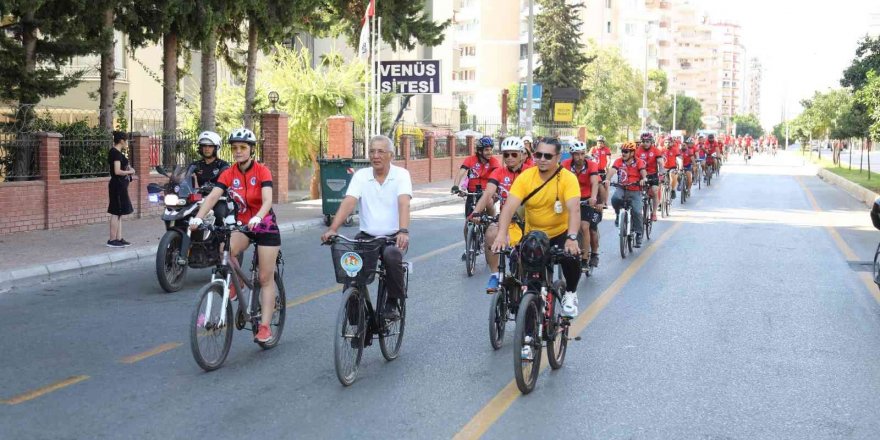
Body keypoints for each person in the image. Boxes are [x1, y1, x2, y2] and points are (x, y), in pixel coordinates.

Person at [190, 128, 281, 343]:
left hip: (265, 226)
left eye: (242, 147)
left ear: (251, 149)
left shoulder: (262, 171)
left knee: (264, 278)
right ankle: (238, 283)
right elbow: (213, 196)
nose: (238, 151)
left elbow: (267, 200)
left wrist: (259, 217)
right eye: (234, 148)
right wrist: (198, 217)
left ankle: (265, 327)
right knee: (226, 250)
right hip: (244, 225)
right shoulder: (229, 173)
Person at [321, 135, 412, 319]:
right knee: (352, 269)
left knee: (391, 256)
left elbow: (404, 203)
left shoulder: (401, 175)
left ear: (391, 155)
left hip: (392, 237)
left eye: (380, 151)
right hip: (366, 236)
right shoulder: (361, 176)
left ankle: (393, 302)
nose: (375, 155)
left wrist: (403, 230)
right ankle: (356, 321)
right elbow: (349, 202)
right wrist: (333, 228)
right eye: (372, 151)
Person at [491, 138, 582, 318]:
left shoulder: (568, 178)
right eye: (538, 155)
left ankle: (571, 294)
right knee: (530, 282)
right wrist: (501, 235)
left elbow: (574, 209)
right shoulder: (526, 177)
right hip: (533, 235)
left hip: (560, 232)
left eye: (547, 156)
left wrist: (571, 238)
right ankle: (528, 329)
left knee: (572, 257)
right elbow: (509, 207)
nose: (542, 159)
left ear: (558, 157)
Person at [469, 136, 530, 292]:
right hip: (507, 219)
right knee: (490, 232)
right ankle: (495, 275)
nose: (509, 158)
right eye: (506, 154)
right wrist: (476, 212)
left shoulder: (531, 173)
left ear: (522, 155)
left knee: (526, 252)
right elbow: (488, 193)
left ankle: (526, 283)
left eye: (514, 154)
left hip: (530, 219)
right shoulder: (498, 173)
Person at [452, 136, 500, 257]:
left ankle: (492, 223)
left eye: (491, 149)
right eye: (486, 150)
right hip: (472, 193)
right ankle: (468, 248)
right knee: (468, 222)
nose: (489, 152)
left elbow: (498, 175)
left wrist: (496, 191)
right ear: (480, 151)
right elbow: (461, 172)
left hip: (488, 192)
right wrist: (456, 186)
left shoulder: (494, 162)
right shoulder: (470, 160)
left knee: (489, 202)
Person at [562, 140, 602, 269]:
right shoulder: (565, 165)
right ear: (571, 154)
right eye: (576, 154)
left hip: (586, 199)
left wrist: (593, 197)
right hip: (570, 199)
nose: (579, 157)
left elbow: (595, 182)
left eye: (582, 154)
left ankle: (585, 258)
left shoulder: (591, 165)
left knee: (585, 227)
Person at [610, 142, 648, 247]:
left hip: (635, 189)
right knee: (615, 198)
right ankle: (618, 215)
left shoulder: (639, 162)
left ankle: (639, 233)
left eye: (626, 151)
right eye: (622, 151)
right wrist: (607, 179)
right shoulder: (618, 161)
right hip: (622, 188)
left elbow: (643, 171)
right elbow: (612, 170)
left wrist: (644, 179)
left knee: (636, 211)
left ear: (632, 153)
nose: (623, 153)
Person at [107, 130, 135, 248]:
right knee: (115, 211)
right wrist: (130, 171)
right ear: (122, 141)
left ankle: (119, 238)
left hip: (120, 185)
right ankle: (112, 240)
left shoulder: (115, 152)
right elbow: (117, 171)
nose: (127, 143)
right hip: (117, 185)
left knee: (120, 212)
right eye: (126, 140)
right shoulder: (116, 154)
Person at [636, 132, 666, 222]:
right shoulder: (637, 150)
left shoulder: (655, 150)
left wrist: (661, 172)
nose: (645, 143)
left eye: (648, 141)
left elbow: (660, 162)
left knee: (655, 191)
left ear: (651, 141)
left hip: (652, 174)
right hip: (640, 175)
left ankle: (654, 213)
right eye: (644, 141)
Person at [589, 135, 612, 206]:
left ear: (604, 143)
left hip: (603, 171)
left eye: (602, 142)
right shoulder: (593, 149)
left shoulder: (606, 149)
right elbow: (589, 158)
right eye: (599, 142)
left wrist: (607, 166)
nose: (600, 144)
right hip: (594, 171)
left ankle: (604, 202)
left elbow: (608, 159)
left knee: (606, 185)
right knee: (593, 184)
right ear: (597, 142)